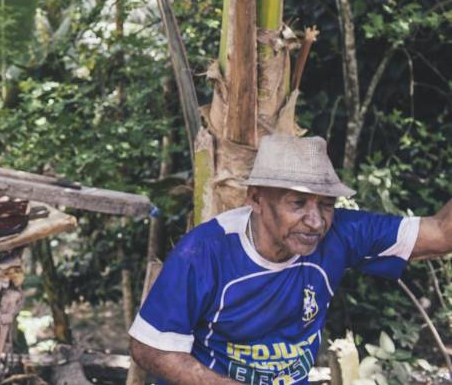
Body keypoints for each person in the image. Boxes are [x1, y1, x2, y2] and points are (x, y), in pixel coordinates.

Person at [129, 134, 452, 384]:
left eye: (326, 204)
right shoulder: (204, 251)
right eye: (297, 203)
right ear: (255, 198)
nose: (315, 221)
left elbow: (440, 234)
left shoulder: (341, 232)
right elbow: (151, 348)